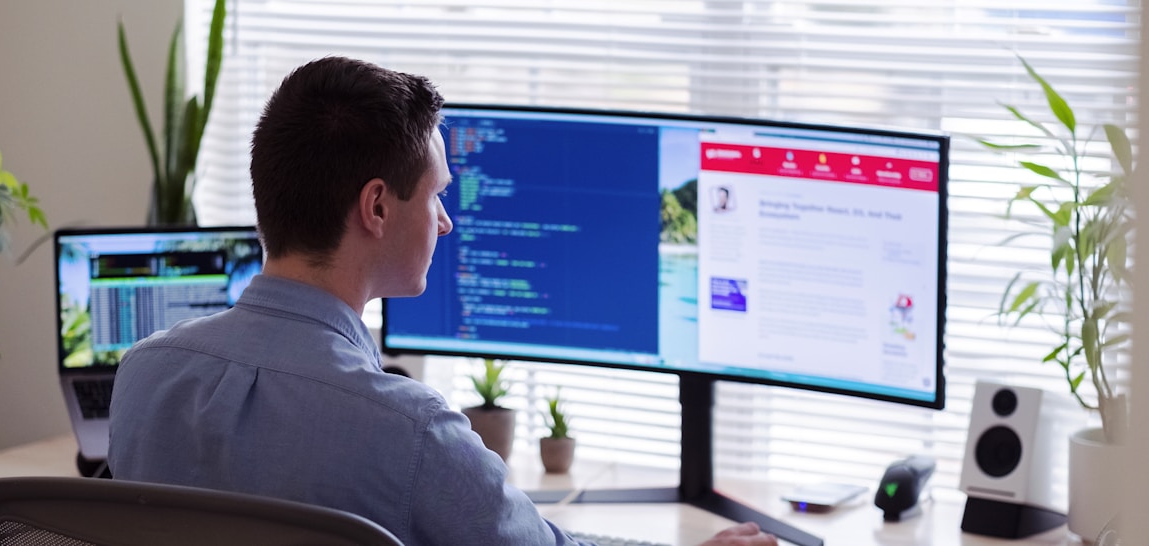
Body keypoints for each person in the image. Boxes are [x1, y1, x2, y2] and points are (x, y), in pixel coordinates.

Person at [108, 55, 776, 546]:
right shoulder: (411, 429)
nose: (446, 221)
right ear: (376, 206)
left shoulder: (144, 375)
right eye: (435, 196)